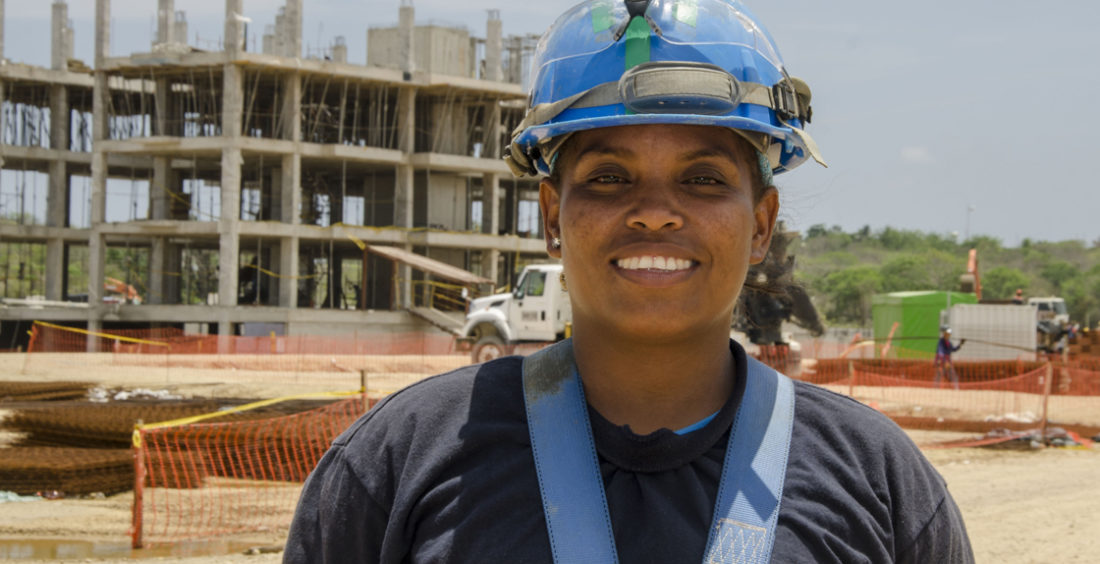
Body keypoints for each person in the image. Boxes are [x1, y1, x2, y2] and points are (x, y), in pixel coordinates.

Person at [284, 1, 973, 562]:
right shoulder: (402, 459)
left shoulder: (875, 478)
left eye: (703, 179)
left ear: (762, 224)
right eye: (609, 178)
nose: (653, 214)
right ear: (554, 215)